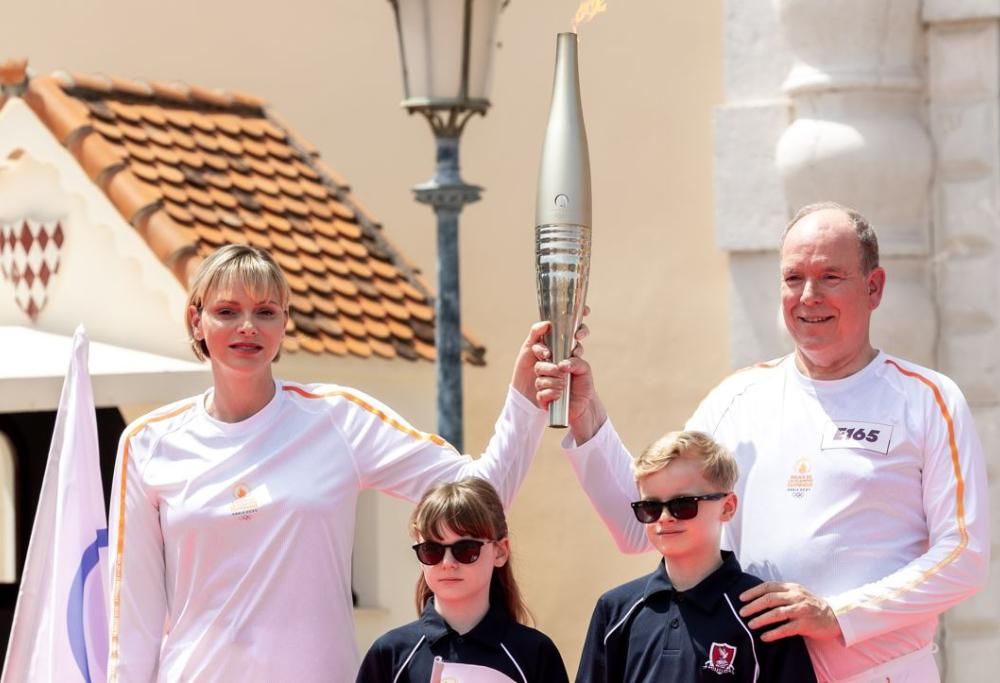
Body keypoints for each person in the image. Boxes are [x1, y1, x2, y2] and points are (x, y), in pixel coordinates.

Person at [536, 203, 989, 682]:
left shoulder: (926, 399)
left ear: (873, 287)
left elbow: (963, 556)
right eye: (794, 278)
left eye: (830, 277)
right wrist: (586, 415)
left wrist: (838, 614)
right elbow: (644, 522)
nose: (808, 296)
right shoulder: (738, 398)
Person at [106, 245, 552, 682]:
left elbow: (481, 498)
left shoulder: (338, 420)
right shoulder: (148, 444)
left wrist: (525, 400)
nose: (247, 326)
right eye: (226, 311)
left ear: (285, 322)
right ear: (196, 320)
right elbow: (133, 621)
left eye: (265, 311)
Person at [577, 430, 816, 683]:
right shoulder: (615, 610)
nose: (665, 517)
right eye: (651, 507)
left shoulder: (763, 612)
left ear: (727, 507)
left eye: (683, 504)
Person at [356, 478, 569, 682]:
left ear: (500, 552)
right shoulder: (390, 653)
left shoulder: (535, 654)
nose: (448, 562)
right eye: (432, 550)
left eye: (466, 549)